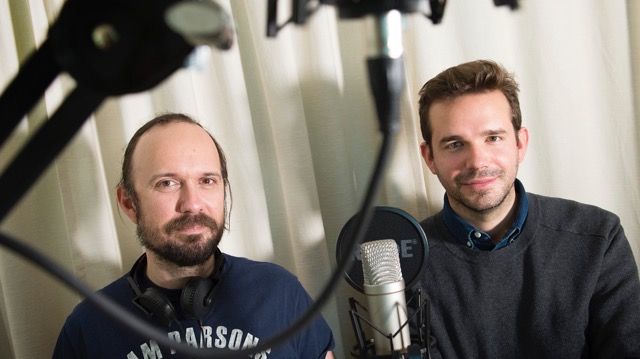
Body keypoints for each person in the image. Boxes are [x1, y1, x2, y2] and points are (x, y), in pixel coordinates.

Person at [53, 113, 335, 358]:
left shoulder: (280, 293)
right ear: (128, 202)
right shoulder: (88, 328)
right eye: (167, 183)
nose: (192, 203)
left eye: (207, 180)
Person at [416, 60, 640, 358]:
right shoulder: (405, 261)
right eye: (455, 144)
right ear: (429, 157)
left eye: (493, 138)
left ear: (520, 144)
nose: (478, 162)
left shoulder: (598, 237)